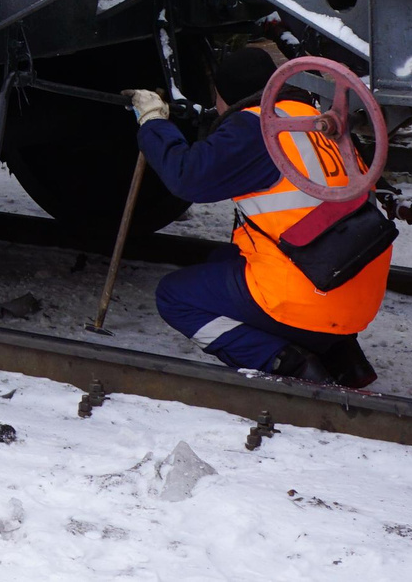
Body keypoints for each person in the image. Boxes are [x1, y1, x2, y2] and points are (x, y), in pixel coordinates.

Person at [129, 46, 385, 387]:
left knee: (175, 296)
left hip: (312, 294)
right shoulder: (311, 117)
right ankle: (344, 357)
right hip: (356, 289)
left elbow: (187, 176)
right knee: (223, 259)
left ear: (225, 96)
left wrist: (153, 124)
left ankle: (288, 363)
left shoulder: (255, 127)